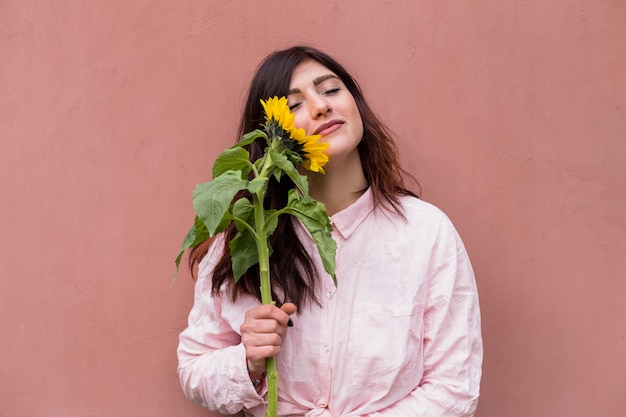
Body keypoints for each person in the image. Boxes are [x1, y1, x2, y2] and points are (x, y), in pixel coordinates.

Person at [177, 45, 482, 417]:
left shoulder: (425, 233)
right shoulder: (246, 236)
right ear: (272, 134)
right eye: (292, 105)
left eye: (331, 90)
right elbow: (194, 368)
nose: (320, 106)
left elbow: (454, 389)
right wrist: (248, 362)